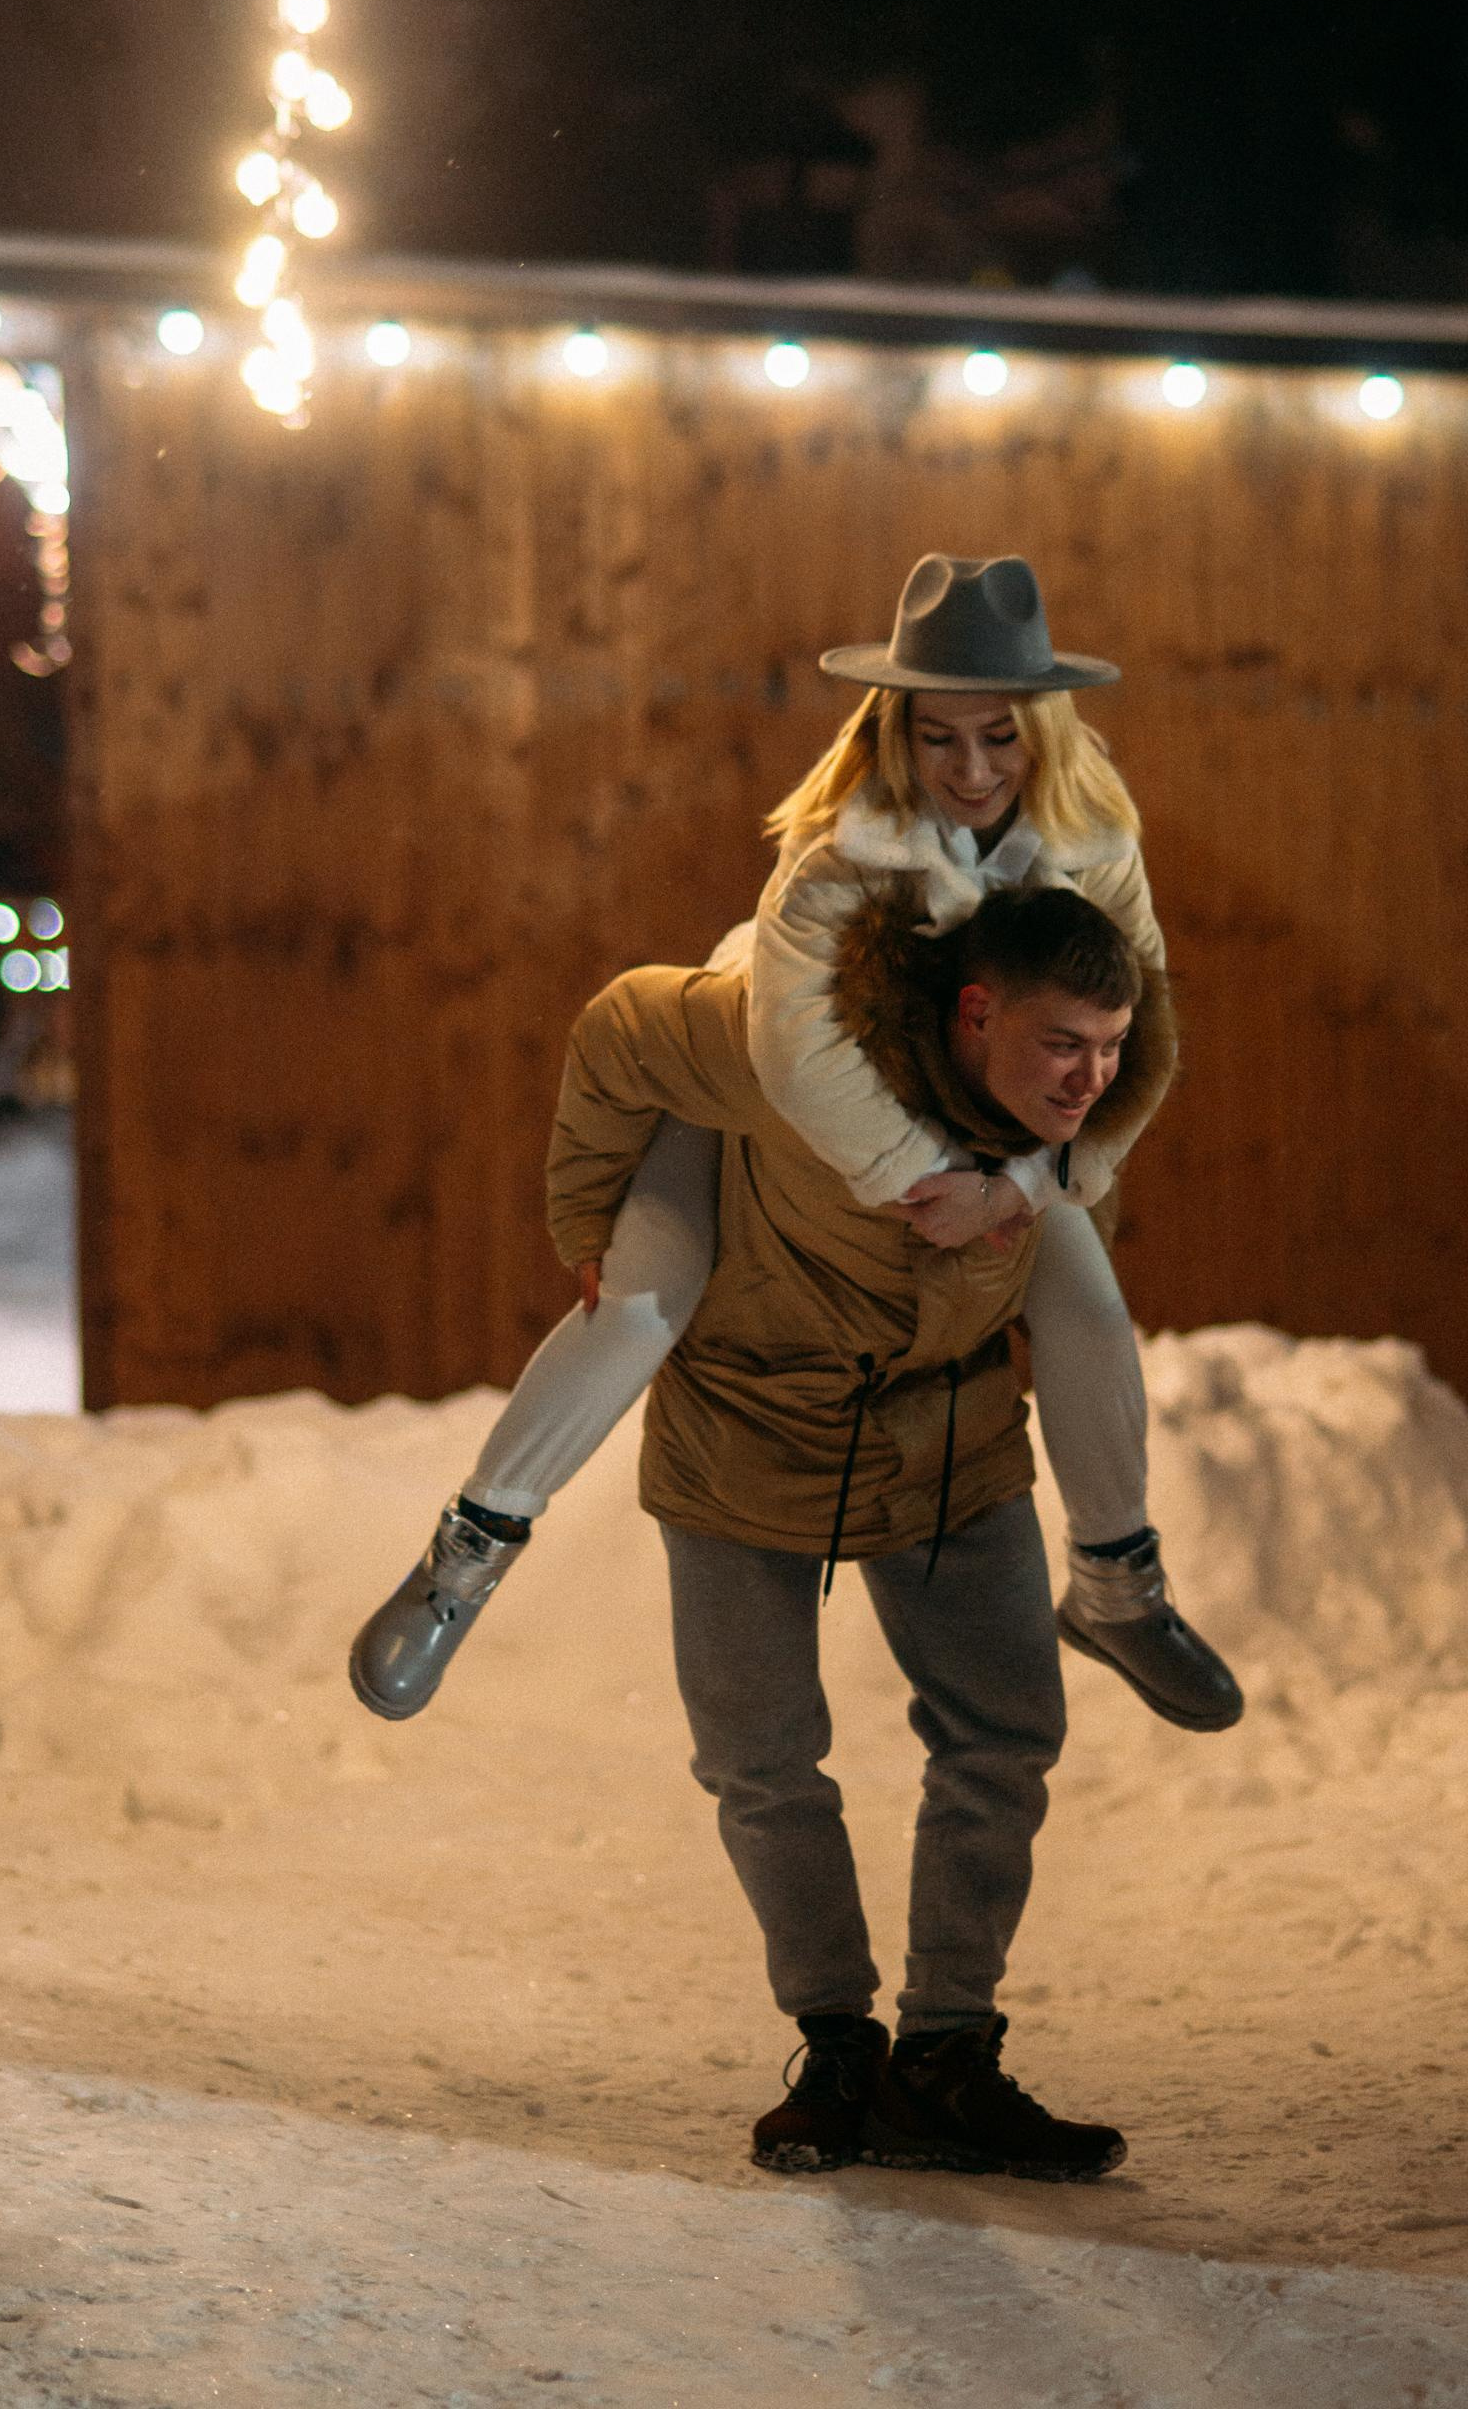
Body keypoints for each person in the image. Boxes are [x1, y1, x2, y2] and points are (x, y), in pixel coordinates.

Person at [351, 555, 1240, 1731]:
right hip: (751, 1085)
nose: (970, 771)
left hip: (975, 1116)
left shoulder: (1097, 843)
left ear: (1043, 733)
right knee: (640, 1303)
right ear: (894, 734)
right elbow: (798, 1059)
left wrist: (1023, 1184)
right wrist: (932, 1181)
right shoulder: (839, 858)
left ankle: (1119, 1586)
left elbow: (1145, 1025)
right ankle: (467, 1555)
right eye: (938, 740)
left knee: (1085, 1297)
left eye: (998, 739)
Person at [534, 877, 1210, 2173]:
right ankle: (837, 2045)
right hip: (742, 1431)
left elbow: (1084, 1216)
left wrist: (1018, 1184)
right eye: (1061, 1045)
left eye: (1110, 1050)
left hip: (949, 1443)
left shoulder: (1071, 1130)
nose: (1089, 1078)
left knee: (1007, 1730)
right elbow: (619, 1030)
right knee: (760, 1760)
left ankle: (945, 2059)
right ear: (974, 1014)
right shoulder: (783, 1048)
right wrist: (587, 1218)